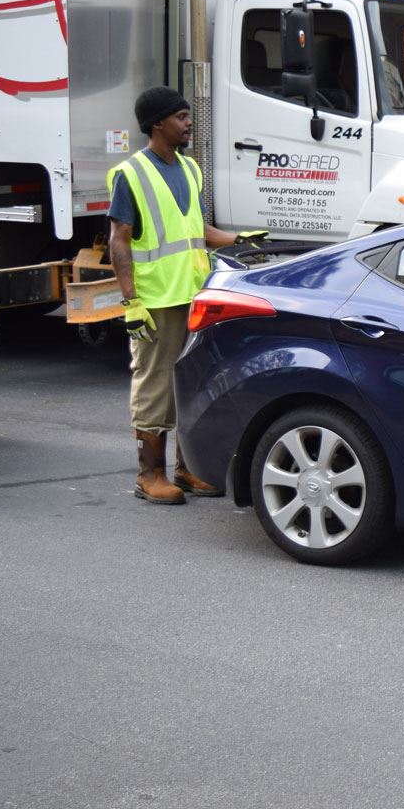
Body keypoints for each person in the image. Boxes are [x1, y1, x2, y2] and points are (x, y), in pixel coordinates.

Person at [108, 86, 263, 505]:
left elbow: (196, 231)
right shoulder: (131, 174)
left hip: (196, 294)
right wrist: (130, 301)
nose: (188, 122)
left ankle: (186, 468)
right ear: (158, 123)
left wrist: (239, 238)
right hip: (155, 300)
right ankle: (149, 474)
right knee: (156, 385)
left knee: (193, 384)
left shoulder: (190, 169)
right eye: (181, 116)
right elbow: (119, 241)